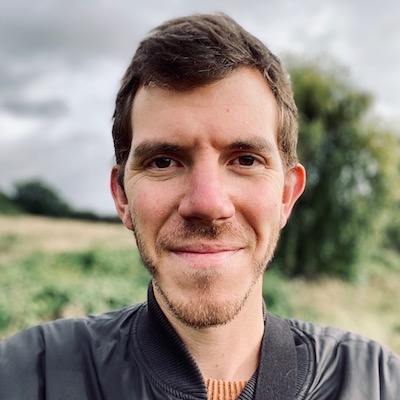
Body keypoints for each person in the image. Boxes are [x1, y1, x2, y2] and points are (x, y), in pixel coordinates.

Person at [0, 13, 399, 400]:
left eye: (245, 160)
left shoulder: (378, 383)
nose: (207, 203)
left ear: (285, 196)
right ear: (122, 197)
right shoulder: (29, 374)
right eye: (163, 162)